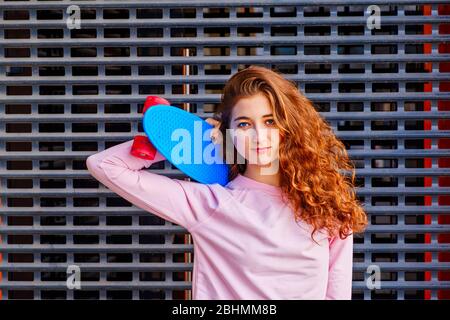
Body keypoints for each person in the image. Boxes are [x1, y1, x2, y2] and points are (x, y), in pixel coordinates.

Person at [86, 65, 368, 300]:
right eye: (244, 124)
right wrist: (178, 140)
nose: (259, 135)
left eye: (270, 121)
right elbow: (103, 165)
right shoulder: (209, 203)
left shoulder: (326, 206)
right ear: (229, 133)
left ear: (289, 127)